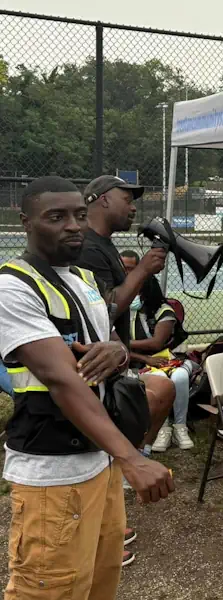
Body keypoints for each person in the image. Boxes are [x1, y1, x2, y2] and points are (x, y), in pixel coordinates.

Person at [0, 177, 174, 600]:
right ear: (26, 223)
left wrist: (116, 352)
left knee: (100, 581)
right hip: (53, 474)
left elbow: (110, 347)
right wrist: (132, 456)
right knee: (50, 590)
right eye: (56, 217)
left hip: (99, 463)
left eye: (79, 215)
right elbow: (63, 381)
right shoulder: (13, 286)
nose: (73, 225)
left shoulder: (81, 278)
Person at [77, 175, 175, 457]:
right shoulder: (88, 248)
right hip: (95, 363)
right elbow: (105, 309)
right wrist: (143, 270)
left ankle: (133, 458)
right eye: (127, 200)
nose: (133, 208)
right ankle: (122, 459)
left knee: (164, 388)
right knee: (154, 393)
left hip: (113, 356)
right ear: (104, 199)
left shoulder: (103, 244)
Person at [120, 251, 195, 452]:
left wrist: (122, 343)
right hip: (135, 364)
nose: (127, 274)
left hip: (170, 360)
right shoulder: (116, 308)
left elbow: (155, 344)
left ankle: (179, 427)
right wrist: (126, 348)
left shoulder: (161, 310)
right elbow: (114, 348)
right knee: (159, 380)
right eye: (123, 268)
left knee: (179, 377)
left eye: (131, 269)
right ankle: (162, 428)